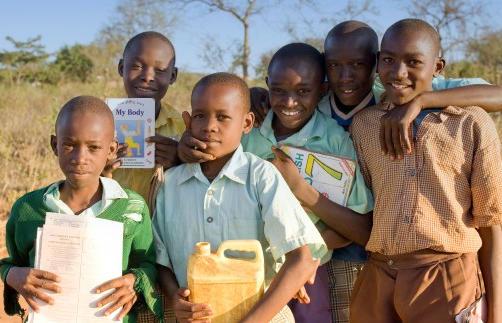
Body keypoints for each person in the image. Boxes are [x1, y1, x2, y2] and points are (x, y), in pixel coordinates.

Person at [249, 20, 502, 323]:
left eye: (358, 64)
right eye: (390, 61)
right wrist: (252, 94)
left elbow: (491, 220)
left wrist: (422, 100)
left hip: (438, 271)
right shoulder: (344, 116)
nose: (347, 76)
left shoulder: (457, 117)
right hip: (371, 267)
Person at [348, 18, 502, 322]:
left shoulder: (471, 123)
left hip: (447, 278)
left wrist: (496, 311)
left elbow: (491, 221)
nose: (399, 72)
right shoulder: (364, 125)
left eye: (413, 62)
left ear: (438, 66)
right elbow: (366, 207)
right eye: (388, 60)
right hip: (379, 276)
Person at [152, 72, 327, 323]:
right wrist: (174, 298)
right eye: (201, 115)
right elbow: (160, 259)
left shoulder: (261, 176)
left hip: (260, 315)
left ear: (246, 123)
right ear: (188, 121)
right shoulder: (170, 184)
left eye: (223, 117)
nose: (210, 126)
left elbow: (300, 260)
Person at [0, 96, 162, 323]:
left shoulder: (131, 209)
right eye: (69, 145)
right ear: (55, 145)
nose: (80, 158)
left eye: (94, 147)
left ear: (111, 149)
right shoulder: (27, 209)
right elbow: (12, 264)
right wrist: (13, 275)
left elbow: (149, 265)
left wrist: (135, 282)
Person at [240, 43, 373, 323]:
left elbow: (357, 225)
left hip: (310, 278)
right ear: (267, 87)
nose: (289, 102)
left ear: (322, 90)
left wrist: (307, 259)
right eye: (279, 91)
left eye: (303, 91)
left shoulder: (336, 141)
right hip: (247, 269)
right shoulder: (246, 134)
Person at [104, 31, 185, 206]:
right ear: (121, 68)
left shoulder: (182, 128)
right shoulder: (100, 123)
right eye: (136, 66)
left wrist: (180, 162)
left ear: (173, 76)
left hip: (159, 229)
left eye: (160, 70)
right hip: (110, 223)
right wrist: (98, 169)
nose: (148, 77)